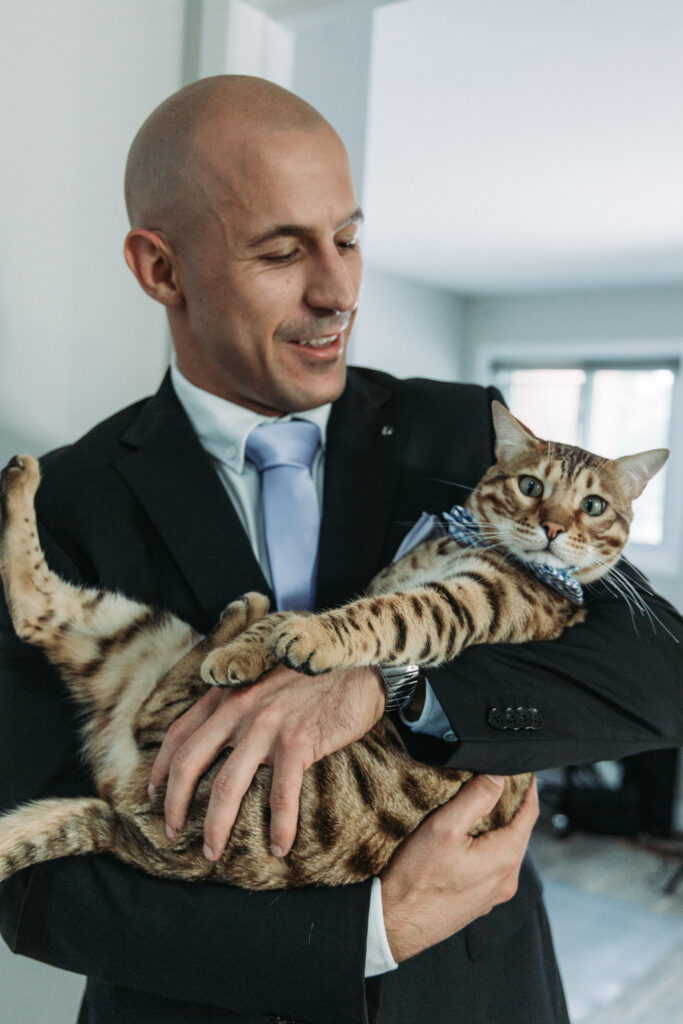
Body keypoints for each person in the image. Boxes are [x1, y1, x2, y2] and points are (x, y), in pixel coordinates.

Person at [0, 75, 680, 1024]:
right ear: (161, 270)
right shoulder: (62, 500)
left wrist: (383, 684)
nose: (337, 291)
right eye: (282, 252)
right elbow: (32, 886)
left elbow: (656, 672)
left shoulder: (463, 434)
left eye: (348, 238)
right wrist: (368, 928)